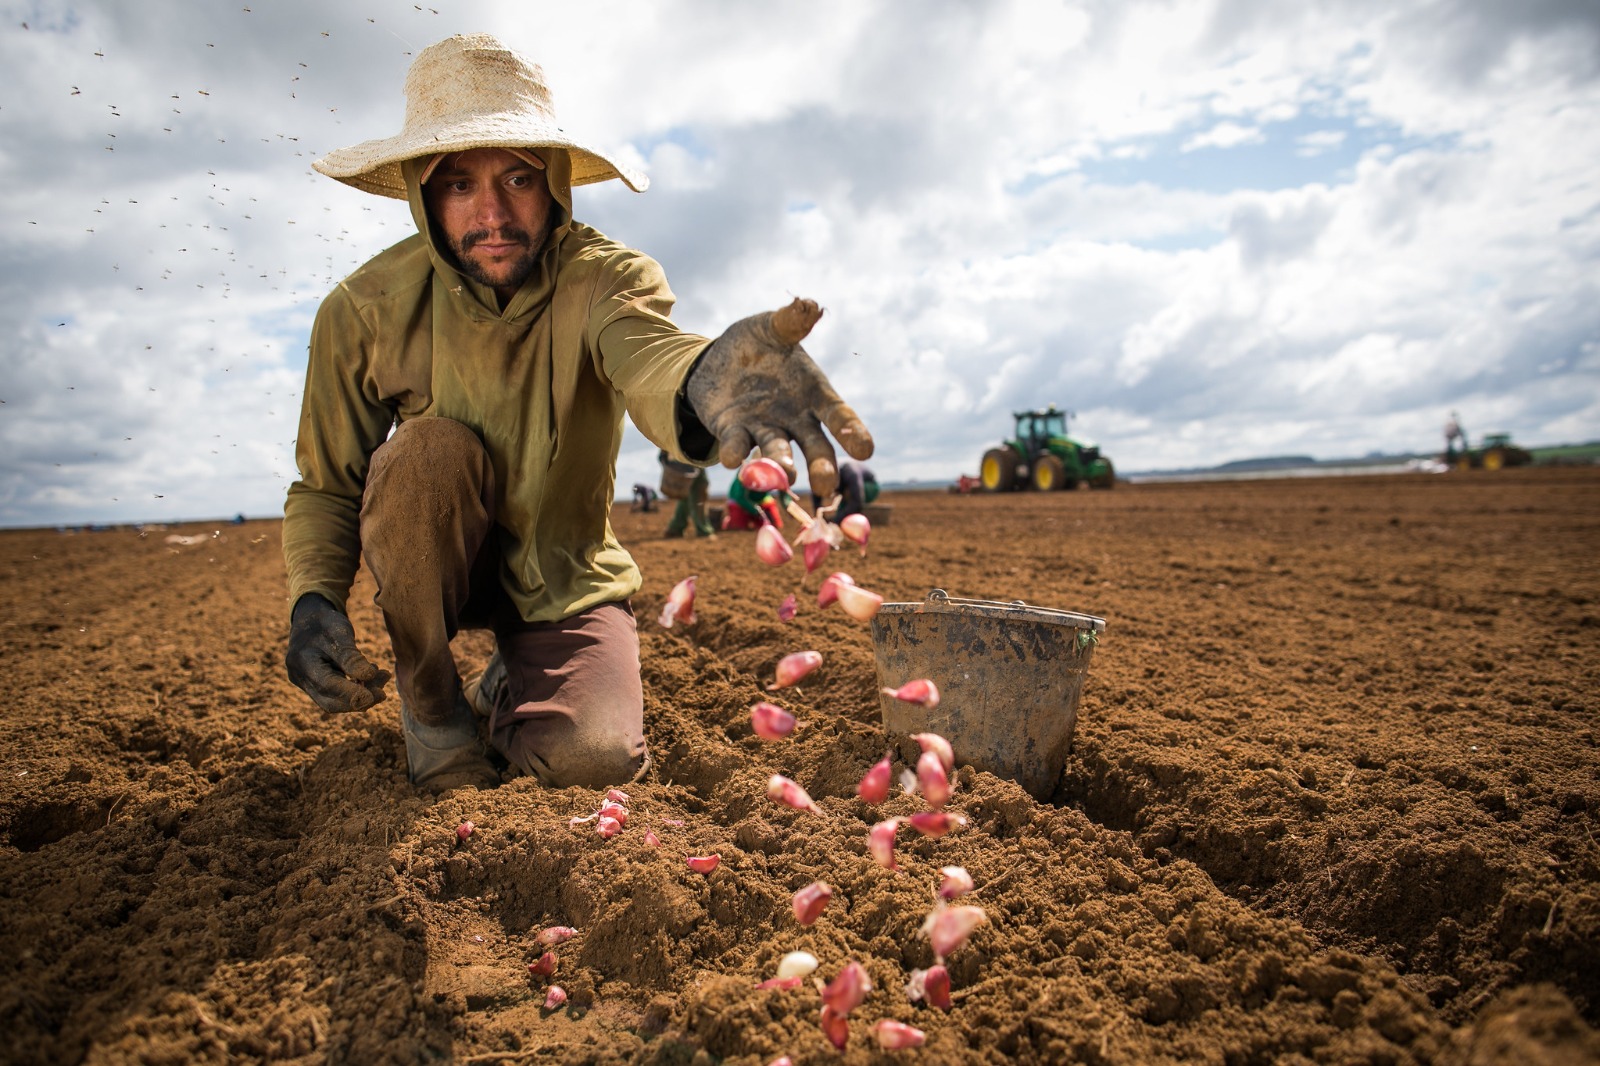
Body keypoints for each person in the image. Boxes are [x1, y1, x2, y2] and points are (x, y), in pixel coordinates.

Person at [281, 35, 872, 792]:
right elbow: (327, 483)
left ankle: (513, 681)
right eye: (458, 184)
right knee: (425, 453)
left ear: (555, 182)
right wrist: (313, 598)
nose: (493, 214)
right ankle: (434, 710)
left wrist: (704, 377)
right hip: (440, 564)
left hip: (562, 571)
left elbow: (652, 355)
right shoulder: (366, 310)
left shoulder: (605, 280)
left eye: (518, 178)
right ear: (422, 196)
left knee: (595, 759)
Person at [659, 450, 715, 538]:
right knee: (699, 489)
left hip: (688, 456)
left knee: (686, 493)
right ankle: (703, 529)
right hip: (688, 456)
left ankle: (676, 527)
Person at [723, 464, 793, 530]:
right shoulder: (745, 471)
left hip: (762, 498)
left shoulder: (773, 470)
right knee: (737, 527)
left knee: (776, 525)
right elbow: (739, 497)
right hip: (739, 501)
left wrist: (787, 505)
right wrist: (755, 510)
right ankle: (729, 520)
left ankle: (754, 521)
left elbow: (783, 488)